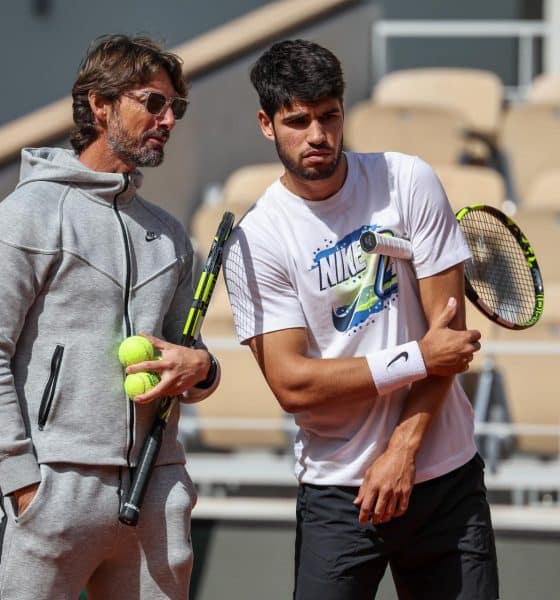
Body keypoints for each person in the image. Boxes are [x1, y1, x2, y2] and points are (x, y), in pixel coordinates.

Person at [223, 39, 499, 599]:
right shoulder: (258, 239)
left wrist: (402, 451)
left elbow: (448, 340)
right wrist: (416, 357)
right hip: (338, 494)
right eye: (297, 121)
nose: (318, 135)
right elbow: (293, 384)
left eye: (329, 115)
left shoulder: (408, 181)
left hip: (444, 478)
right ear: (266, 124)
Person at [0, 34, 220, 599]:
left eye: (177, 108)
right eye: (153, 102)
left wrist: (202, 367)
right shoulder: (28, 214)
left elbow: (184, 356)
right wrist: (22, 484)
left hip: (156, 491)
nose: (168, 119)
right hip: (53, 490)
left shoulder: (170, 234)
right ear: (100, 104)